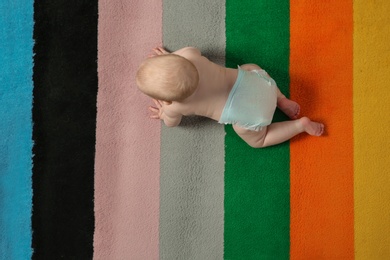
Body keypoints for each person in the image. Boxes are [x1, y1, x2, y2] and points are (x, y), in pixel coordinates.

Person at [136, 47, 324, 148]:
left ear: (167, 100)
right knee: (249, 67)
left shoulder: (173, 107)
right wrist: (171, 57)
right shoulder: (188, 55)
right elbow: (193, 50)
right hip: (261, 84)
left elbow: (172, 123)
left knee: (258, 140)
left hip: (252, 116)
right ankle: (281, 99)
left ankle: (299, 126)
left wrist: (164, 113)